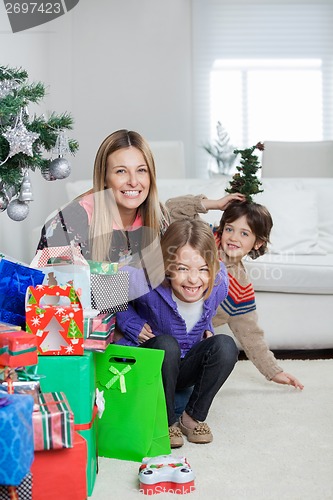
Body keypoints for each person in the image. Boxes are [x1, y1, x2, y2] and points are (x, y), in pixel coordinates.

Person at [115, 219, 239, 448]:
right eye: (182, 268)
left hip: (185, 366)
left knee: (226, 345)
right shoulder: (144, 278)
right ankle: (167, 419)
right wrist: (130, 323)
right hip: (154, 363)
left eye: (203, 269)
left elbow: (205, 311)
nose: (194, 279)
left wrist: (207, 328)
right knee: (167, 344)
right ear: (166, 265)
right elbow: (103, 294)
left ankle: (192, 417)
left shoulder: (219, 281)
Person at [166, 195, 304, 391]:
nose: (233, 237)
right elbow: (172, 208)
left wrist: (274, 371)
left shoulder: (239, 287)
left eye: (244, 233)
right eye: (229, 229)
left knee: (178, 398)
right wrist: (214, 204)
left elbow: (251, 334)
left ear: (258, 242)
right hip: (157, 329)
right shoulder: (201, 239)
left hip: (186, 350)